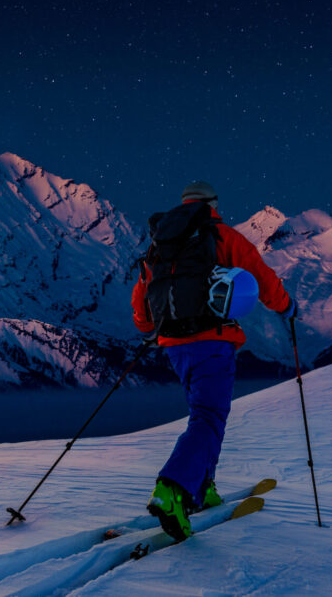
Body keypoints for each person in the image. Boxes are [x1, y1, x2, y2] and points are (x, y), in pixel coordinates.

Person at [131, 180, 297, 540]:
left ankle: (202, 486)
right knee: (208, 417)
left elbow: (141, 301)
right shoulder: (221, 235)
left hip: (174, 346)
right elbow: (262, 277)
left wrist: (150, 330)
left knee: (203, 414)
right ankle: (172, 488)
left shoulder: (160, 244)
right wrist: (286, 306)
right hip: (212, 341)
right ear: (213, 205)